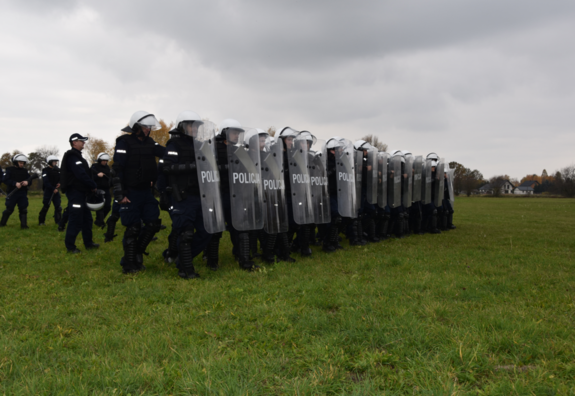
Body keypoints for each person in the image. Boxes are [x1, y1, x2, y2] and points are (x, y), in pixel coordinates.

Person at [160, 111, 217, 278]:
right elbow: (167, 167)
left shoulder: (201, 145)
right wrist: (191, 166)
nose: (195, 129)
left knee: (207, 231)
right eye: (191, 125)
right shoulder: (174, 145)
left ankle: (181, 259)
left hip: (201, 195)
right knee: (186, 233)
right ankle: (185, 269)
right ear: (183, 126)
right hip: (182, 196)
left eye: (197, 126)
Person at [112, 111, 165, 274]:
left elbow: (167, 153)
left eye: (149, 127)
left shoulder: (150, 142)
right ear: (136, 126)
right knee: (133, 228)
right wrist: (120, 194)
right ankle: (129, 265)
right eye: (145, 127)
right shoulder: (124, 143)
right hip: (130, 192)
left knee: (153, 224)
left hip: (146, 192)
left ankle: (136, 254)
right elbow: (117, 169)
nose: (148, 130)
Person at [59, 134, 100, 253]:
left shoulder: (78, 157)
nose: (83, 143)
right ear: (74, 142)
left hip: (82, 193)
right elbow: (80, 174)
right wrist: (92, 184)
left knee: (87, 219)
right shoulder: (72, 157)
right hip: (75, 193)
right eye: (81, 141)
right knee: (75, 219)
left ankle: (88, 243)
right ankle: (70, 247)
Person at [1, 154, 31, 228]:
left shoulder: (25, 171)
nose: (22, 164)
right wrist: (14, 183)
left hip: (23, 193)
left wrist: (27, 183)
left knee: (23, 209)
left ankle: (24, 226)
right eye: (20, 162)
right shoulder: (9, 170)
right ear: (15, 162)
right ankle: (2, 223)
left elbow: (29, 180)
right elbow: (5, 180)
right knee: (9, 209)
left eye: (23, 163)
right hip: (12, 193)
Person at [38, 155, 62, 226]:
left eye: (56, 162)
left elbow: (61, 178)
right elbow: (46, 182)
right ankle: (41, 221)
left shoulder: (58, 170)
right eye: (54, 162)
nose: (56, 163)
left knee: (58, 207)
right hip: (48, 191)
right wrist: (52, 189)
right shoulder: (45, 170)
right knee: (46, 206)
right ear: (50, 162)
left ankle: (58, 221)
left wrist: (60, 184)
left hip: (56, 191)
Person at [91, 153, 112, 228]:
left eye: (106, 160)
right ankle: (100, 222)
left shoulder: (107, 168)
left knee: (108, 206)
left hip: (106, 189)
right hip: (98, 189)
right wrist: (97, 176)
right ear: (100, 160)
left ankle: (99, 220)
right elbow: (91, 178)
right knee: (100, 207)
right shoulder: (94, 167)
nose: (105, 162)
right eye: (103, 160)